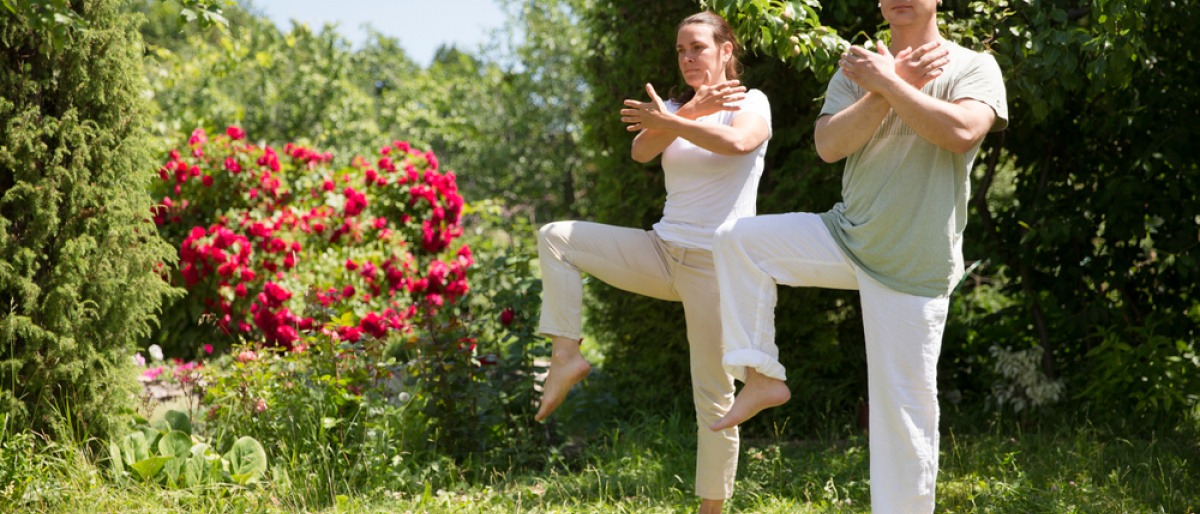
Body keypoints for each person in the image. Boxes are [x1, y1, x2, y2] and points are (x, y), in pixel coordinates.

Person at [707, 0, 1007, 512]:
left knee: (904, 421)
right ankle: (760, 375)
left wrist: (891, 83)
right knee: (739, 240)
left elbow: (960, 134)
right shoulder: (857, 65)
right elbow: (829, 144)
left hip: (914, 263)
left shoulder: (973, 65)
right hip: (846, 236)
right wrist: (881, 82)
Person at [533, 11, 770, 513]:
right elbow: (643, 151)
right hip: (662, 252)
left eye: (698, 48)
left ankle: (711, 508)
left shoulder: (749, 101)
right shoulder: (681, 104)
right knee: (556, 237)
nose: (687, 58)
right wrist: (683, 114)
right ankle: (566, 356)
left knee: (713, 395)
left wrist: (680, 118)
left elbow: (740, 143)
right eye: (681, 50)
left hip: (715, 266)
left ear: (726, 50)